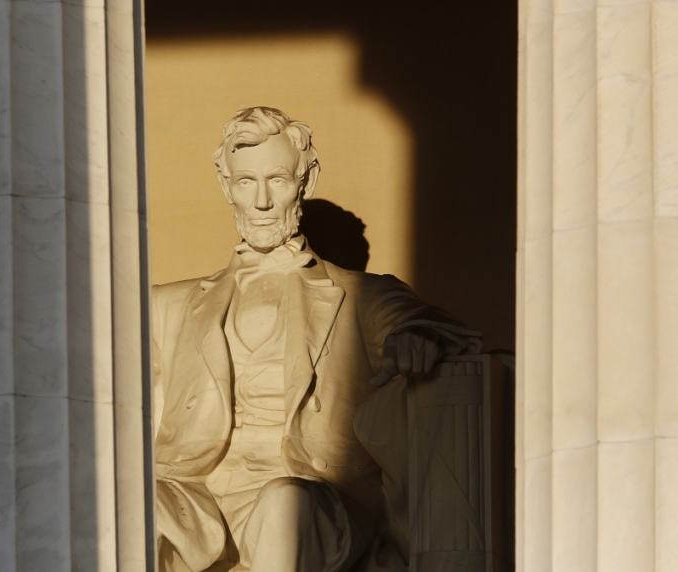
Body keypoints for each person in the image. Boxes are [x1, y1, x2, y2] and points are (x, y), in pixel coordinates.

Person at [152, 107, 481, 572]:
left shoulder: (361, 294)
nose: (262, 200)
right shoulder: (168, 306)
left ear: (304, 182)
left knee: (284, 503)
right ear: (227, 186)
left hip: (309, 496)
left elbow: (431, 325)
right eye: (246, 182)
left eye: (278, 180)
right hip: (197, 499)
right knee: (130, 498)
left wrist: (417, 337)